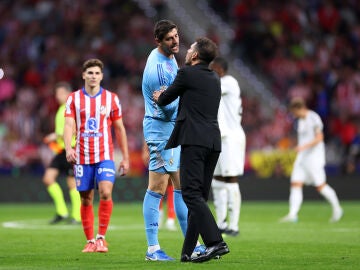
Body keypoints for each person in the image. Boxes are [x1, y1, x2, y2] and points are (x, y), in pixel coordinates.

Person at [153, 37, 229, 263]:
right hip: (213, 142)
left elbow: (166, 99)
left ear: (195, 55)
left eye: (191, 48)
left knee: (190, 194)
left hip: (194, 141)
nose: (187, 51)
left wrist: (159, 96)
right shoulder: (215, 77)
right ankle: (187, 252)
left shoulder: (186, 73)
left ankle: (216, 243)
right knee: (199, 198)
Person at [64, 58, 129, 253]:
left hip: (105, 154)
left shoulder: (111, 98)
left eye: (97, 73)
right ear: (84, 75)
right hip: (82, 156)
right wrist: (69, 148)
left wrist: (125, 157)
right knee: (85, 198)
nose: (93, 76)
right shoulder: (73, 99)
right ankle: (90, 240)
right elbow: (68, 125)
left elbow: (119, 128)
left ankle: (101, 238)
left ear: (102, 76)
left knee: (106, 192)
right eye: (90, 73)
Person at [141, 19, 194, 261]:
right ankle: (152, 249)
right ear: (158, 41)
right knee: (157, 187)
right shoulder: (158, 71)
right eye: (170, 38)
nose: (176, 41)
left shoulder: (168, 56)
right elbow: (167, 109)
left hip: (171, 130)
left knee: (181, 185)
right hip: (161, 129)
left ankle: (191, 245)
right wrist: (186, 96)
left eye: (176, 35)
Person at [280, 97, 343, 223]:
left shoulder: (313, 118)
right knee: (295, 183)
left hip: (314, 158)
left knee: (320, 186)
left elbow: (319, 138)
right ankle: (293, 214)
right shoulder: (300, 121)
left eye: (294, 112)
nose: (294, 115)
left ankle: (337, 208)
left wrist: (303, 146)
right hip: (302, 158)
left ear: (299, 108)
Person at [209, 57, 246, 237]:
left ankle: (234, 225)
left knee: (231, 178)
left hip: (231, 137)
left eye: (213, 68)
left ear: (220, 69)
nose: (211, 71)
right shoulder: (219, 83)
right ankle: (221, 222)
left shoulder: (229, 82)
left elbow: (209, 88)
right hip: (220, 136)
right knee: (217, 180)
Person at [42, 82, 81, 225]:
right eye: (57, 94)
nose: (58, 96)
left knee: (72, 184)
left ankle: (77, 216)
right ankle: (62, 211)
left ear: (68, 94)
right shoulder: (60, 109)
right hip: (60, 151)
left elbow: (75, 128)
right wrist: (57, 136)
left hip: (71, 149)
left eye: (60, 93)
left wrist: (55, 135)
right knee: (48, 178)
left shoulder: (73, 109)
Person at [141, 141, 177, 231]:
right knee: (157, 185)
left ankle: (170, 218)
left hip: (172, 151)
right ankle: (159, 216)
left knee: (171, 183)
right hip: (158, 151)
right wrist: (145, 150)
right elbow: (150, 132)